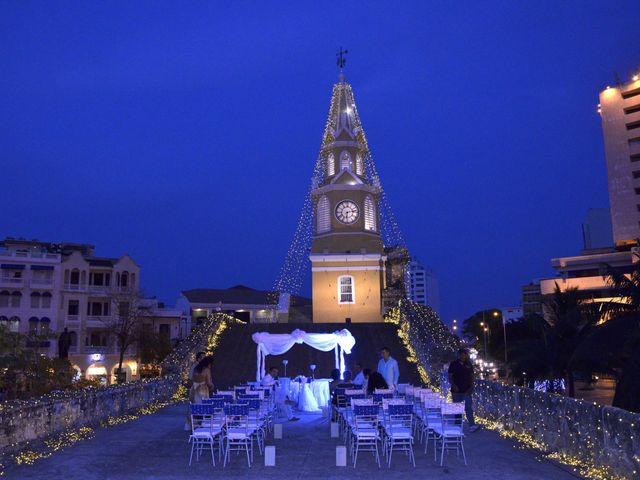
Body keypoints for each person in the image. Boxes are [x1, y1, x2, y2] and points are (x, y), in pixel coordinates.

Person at [448, 348, 479, 432]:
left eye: (464, 354)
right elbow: (450, 377)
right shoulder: (453, 364)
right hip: (456, 390)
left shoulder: (468, 364)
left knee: (468, 407)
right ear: (458, 355)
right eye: (461, 354)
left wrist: (471, 387)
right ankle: (457, 426)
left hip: (467, 390)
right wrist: (454, 385)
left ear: (466, 355)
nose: (463, 356)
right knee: (457, 408)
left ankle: (472, 425)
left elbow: (472, 376)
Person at [185, 355, 214, 430]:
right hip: (202, 389)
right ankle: (201, 424)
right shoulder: (207, 370)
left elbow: (192, 379)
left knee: (194, 406)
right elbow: (209, 382)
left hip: (193, 389)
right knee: (202, 407)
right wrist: (211, 386)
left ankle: (192, 424)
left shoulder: (196, 368)